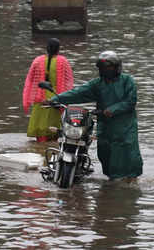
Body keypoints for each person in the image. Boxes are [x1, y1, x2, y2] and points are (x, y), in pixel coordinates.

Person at [46, 51, 143, 182]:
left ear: (117, 68)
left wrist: (111, 110)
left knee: (127, 154)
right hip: (105, 125)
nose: (105, 70)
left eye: (108, 67)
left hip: (124, 125)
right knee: (105, 152)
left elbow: (130, 101)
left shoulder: (127, 81)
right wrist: (55, 99)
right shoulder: (97, 83)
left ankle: (130, 181)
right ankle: (111, 184)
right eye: (102, 68)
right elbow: (79, 92)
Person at [23, 38, 74, 142]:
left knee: (40, 130)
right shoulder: (63, 62)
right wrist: (67, 100)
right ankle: (50, 152)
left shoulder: (37, 60)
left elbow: (30, 80)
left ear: (46, 48)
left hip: (39, 99)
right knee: (54, 130)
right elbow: (69, 82)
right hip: (56, 99)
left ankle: (40, 150)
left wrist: (29, 98)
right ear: (58, 49)